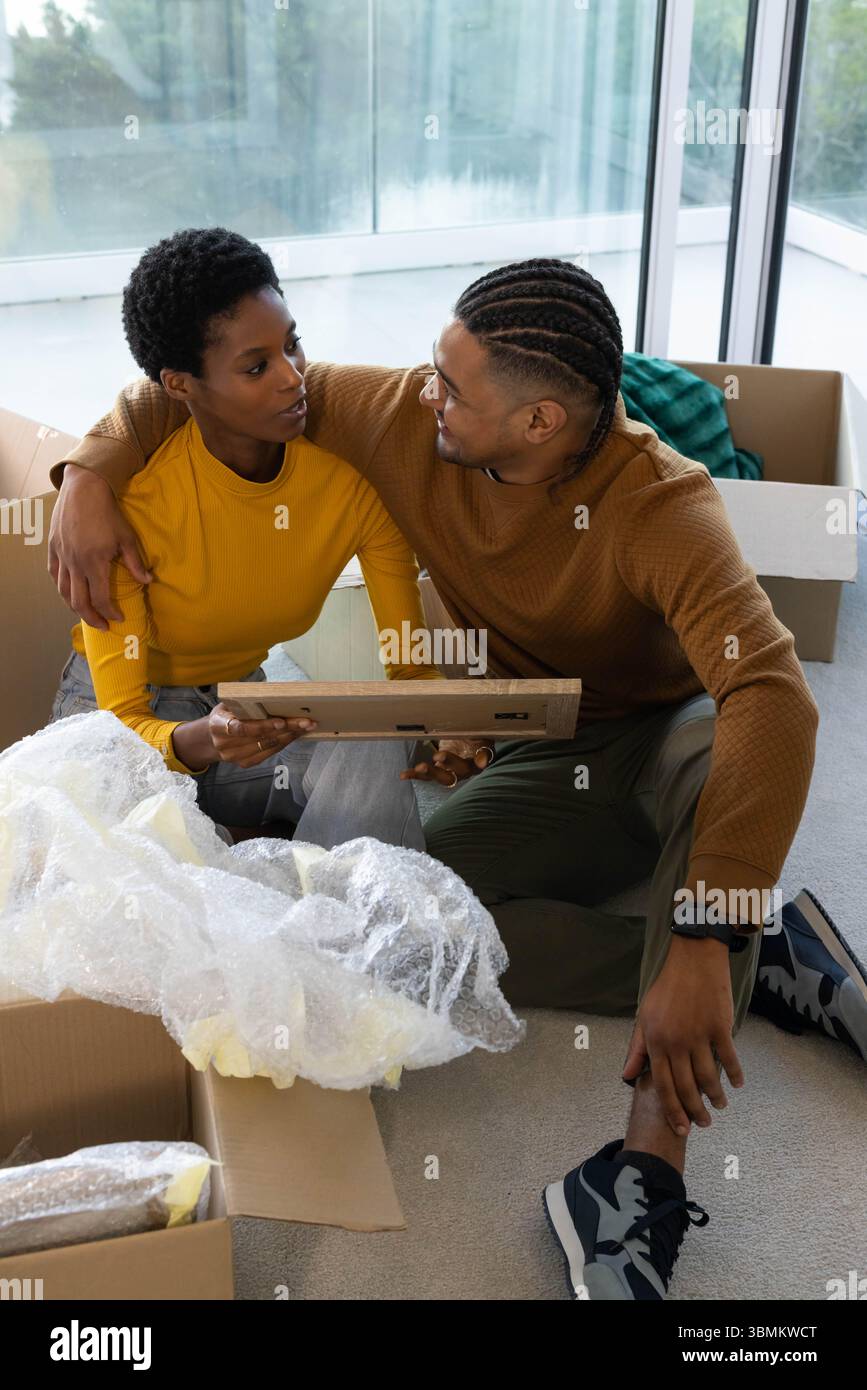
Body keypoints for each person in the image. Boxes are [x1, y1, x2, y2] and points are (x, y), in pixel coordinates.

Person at [48, 256, 866, 1300]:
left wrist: (706, 933)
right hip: (548, 751)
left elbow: (775, 694)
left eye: (452, 385)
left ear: (536, 424)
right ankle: (771, 949)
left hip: (668, 740)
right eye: (435, 369)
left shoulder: (665, 501)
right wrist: (85, 475)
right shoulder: (398, 413)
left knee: (721, 776)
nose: (421, 389)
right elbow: (183, 382)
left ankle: (638, 1169)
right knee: (405, 934)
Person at [47, 225, 470, 851]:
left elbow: (407, 662)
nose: (294, 376)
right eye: (256, 366)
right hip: (121, 726)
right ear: (180, 385)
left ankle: (357, 925)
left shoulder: (351, 489)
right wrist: (200, 738)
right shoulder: (134, 507)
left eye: (292, 344)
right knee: (139, 861)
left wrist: (446, 723)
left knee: (370, 740)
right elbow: (127, 722)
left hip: (243, 706)